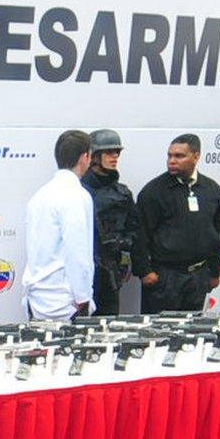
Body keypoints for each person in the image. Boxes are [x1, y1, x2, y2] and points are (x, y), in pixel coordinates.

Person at [133, 134, 220, 313]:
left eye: (179, 156)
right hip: (165, 278)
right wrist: (145, 271)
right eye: (170, 156)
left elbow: (216, 232)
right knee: (158, 335)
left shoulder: (211, 190)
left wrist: (215, 272)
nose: (172, 161)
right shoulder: (153, 191)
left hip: (198, 277)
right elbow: (140, 233)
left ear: (196, 156)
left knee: (191, 335)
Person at [23, 129, 96, 320]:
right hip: (65, 304)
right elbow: (78, 251)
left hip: (36, 300)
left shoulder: (39, 196)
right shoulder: (76, 196)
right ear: (85, 157)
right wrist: (83, 299)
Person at [82, 129, 137, 316]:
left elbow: (134, 230)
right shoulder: (79, 192)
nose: (115, 157)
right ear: (94, 156)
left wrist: (121, 243)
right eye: (109, 152)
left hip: (111, 270)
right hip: (84, 271)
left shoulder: (122, 193)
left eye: (117, 152)